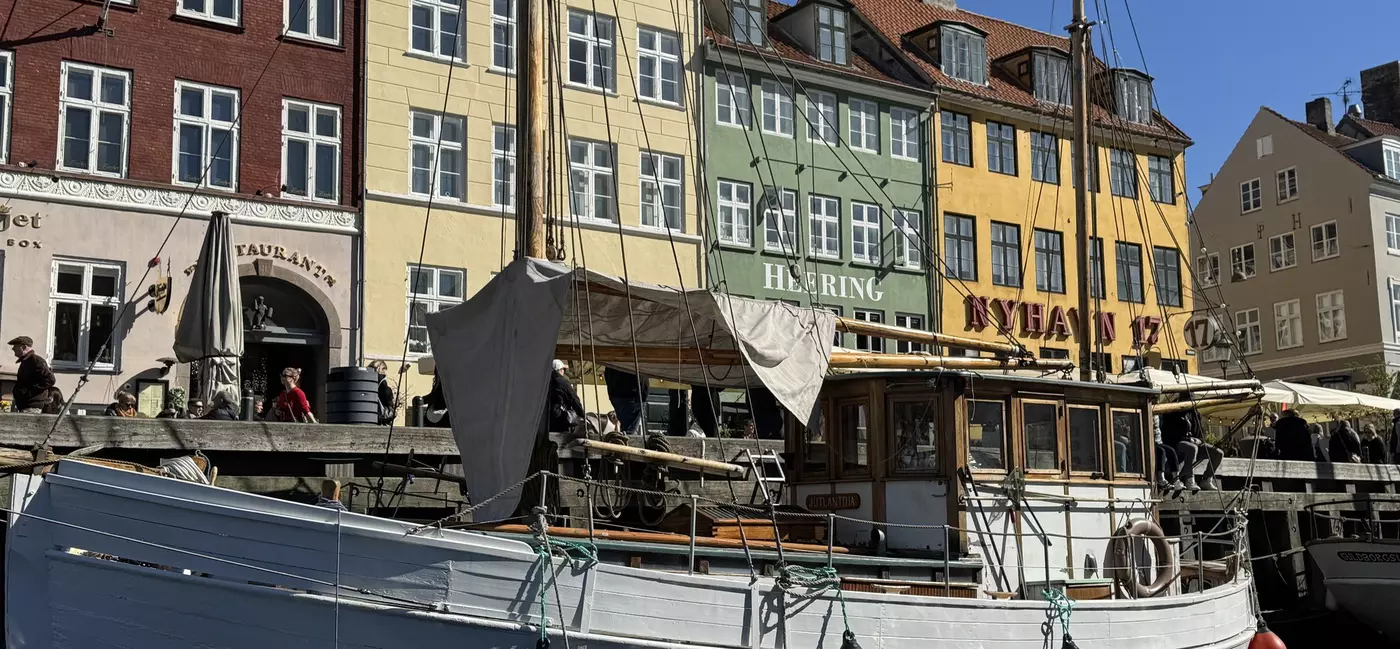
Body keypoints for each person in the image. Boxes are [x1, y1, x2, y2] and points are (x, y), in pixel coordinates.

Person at [1161, 407, 1223, 491]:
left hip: (1195, 442)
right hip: (1178, 443)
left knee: (1218, 453)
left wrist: (1199, 440)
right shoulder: (1172, 413)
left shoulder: (1194, 413)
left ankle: (1206, 479)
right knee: (1192, 448)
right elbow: (1169, 433)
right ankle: (1189, 480)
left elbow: (1202, 431)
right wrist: (1187, 439)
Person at [8, 336, 55, 414]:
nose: (13, 349)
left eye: (15, 346)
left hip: (32, 406)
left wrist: (30, 393)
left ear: (23, 347)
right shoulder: (27, 361)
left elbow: (50, 380)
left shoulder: (36, 362)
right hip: (27, 405)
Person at [546, 360, 585, 432]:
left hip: (545, 419)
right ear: (560, 370)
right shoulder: (563, 382)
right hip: (559, 418)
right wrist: (582, 414)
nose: (564, 371)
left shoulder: (545, 381)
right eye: (563, 369)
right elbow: (573, 399)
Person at [368, 360, 397, 425]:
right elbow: (389, 402)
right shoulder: (383, 386)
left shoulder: (366, 381)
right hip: (381, 420)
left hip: (368, 418)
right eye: (384, 370)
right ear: (381, 369)